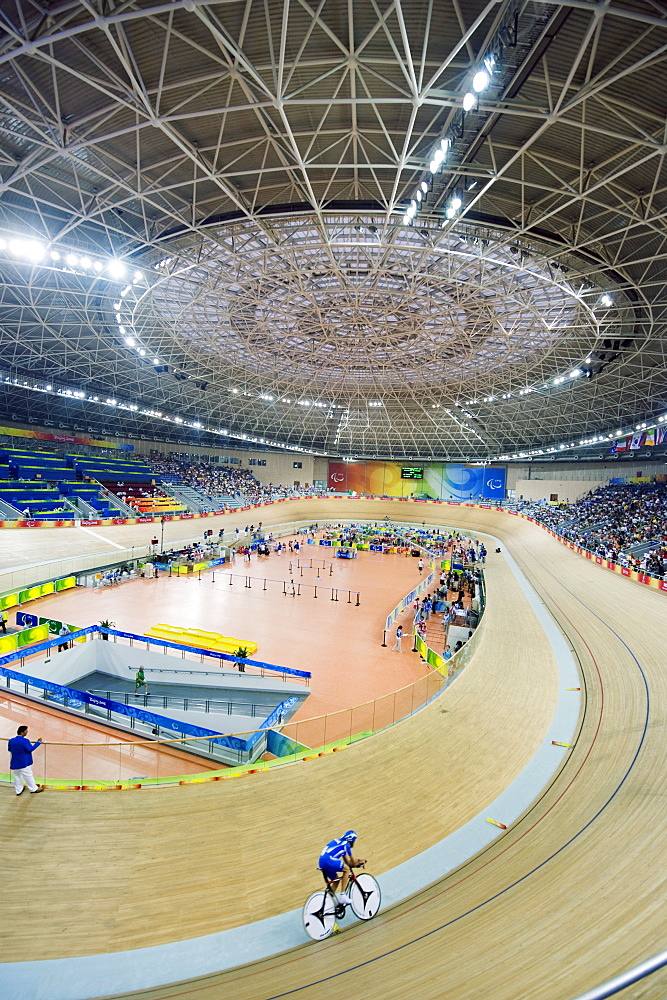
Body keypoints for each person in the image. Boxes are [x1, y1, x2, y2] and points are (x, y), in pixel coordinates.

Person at [318, 830, 366, 905]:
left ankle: (328, 903)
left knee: (336, 880)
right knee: (346, 869)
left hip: (322, 862)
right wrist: (360, 861)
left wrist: (356, 863)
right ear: (351, 840)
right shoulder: (347, 845)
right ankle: (343, 896)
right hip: (328, 860)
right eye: (354, 841)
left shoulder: (339, 842)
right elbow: (353, 863)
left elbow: (348, 862)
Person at [8, 725, 45, 795]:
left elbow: (10, 749)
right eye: (26, 731)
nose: (27, 732)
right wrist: (38, 743)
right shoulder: (25, 741)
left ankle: (18, 790)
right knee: (28, 775)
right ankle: (33, 789)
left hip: (15, 762)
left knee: (17, 775)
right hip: (24, 762)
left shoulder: (11, 740)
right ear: (22, 732)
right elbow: (30, 749)